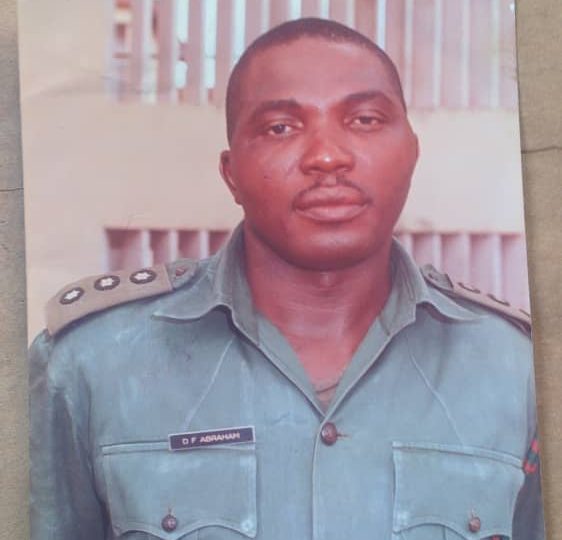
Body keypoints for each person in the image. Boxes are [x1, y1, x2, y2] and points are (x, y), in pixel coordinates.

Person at [29, 17, 544, 540]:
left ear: (412, 151)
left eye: (365, 119)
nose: (327, 156)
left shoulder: (519, 372)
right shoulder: (91, 366)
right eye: (280, 127)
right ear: (231, 173)